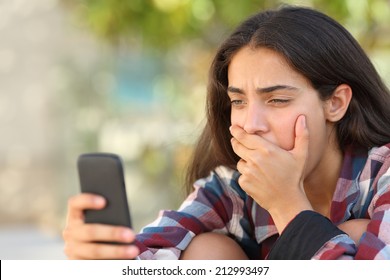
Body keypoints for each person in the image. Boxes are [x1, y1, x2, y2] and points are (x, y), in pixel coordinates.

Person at [63, 5, 390, 260]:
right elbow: (154, 254)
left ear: (335, 102)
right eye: (238, 101)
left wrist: (288, 205)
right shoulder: (233, 186)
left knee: (357, 235)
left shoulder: (383, 174)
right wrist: (106, 255)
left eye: (277, 100)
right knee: (207, 251)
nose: (251, 124)